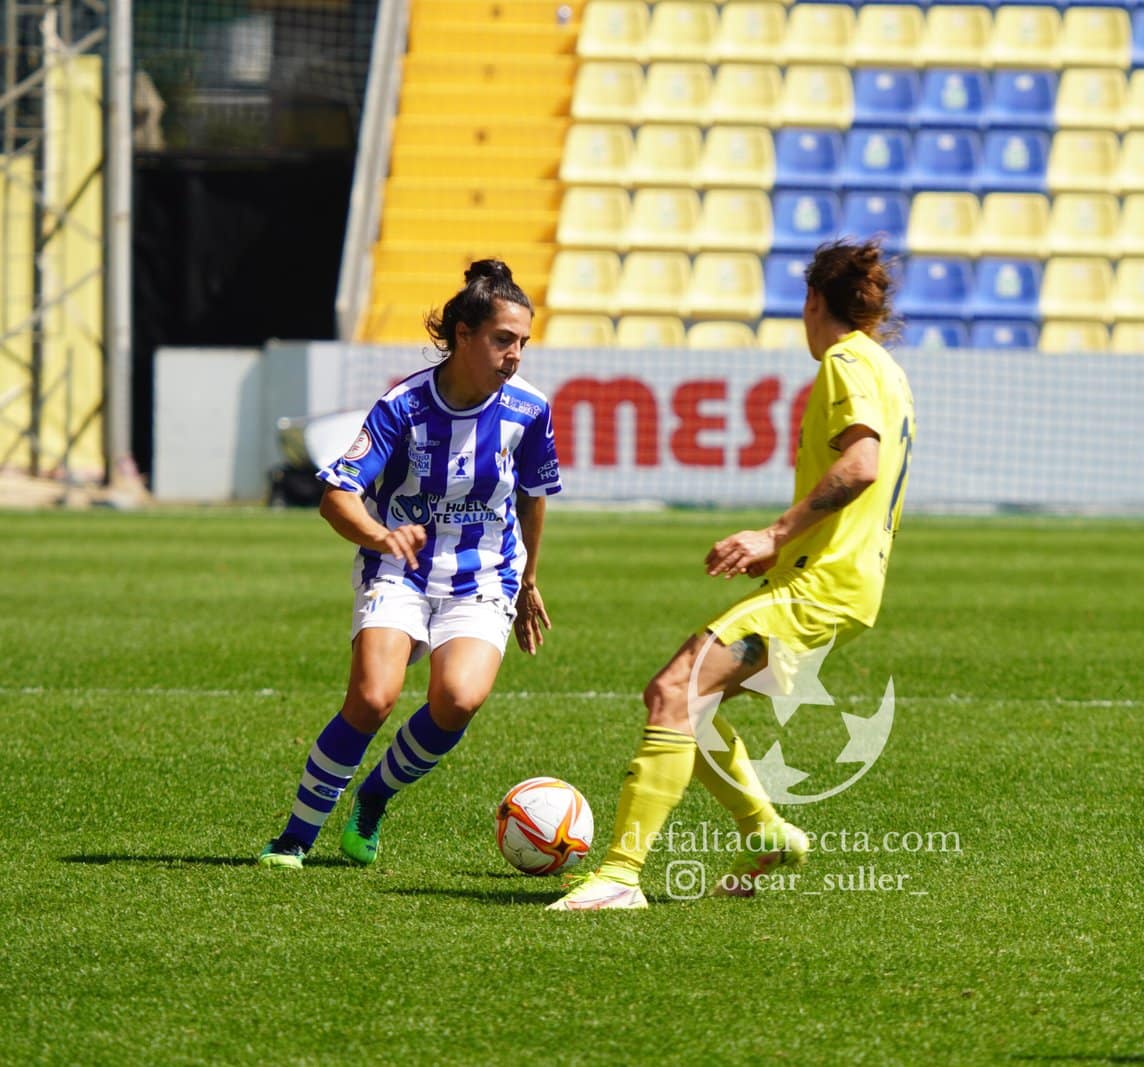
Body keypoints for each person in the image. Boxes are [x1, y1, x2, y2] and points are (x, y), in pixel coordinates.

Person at [550, 239, 916, 910]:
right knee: (697, 699)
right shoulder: (886, 366)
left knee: (671, 691)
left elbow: (861, 465)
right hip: (838, 583)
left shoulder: (844, 361)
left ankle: (621, 876)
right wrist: (786, 546)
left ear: (812, 302)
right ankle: (766, 831)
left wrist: (775, 532)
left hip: (819, 588)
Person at [258, 259, 560, 869]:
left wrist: (528, 579)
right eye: (504, 339)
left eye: (524, 341)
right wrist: (380, 535)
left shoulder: (529, 410)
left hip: (484, 572)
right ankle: (295, 836)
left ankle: (373, 798)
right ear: (463, 334)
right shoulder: (402, 406)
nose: (516, 354)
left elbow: (532, 494)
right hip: (400, 568)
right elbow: (336, 497)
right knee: (372, 699)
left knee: (458, 699)